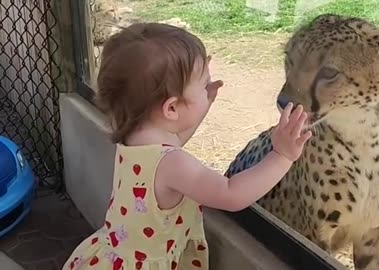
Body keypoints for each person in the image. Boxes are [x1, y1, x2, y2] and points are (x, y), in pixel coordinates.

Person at [63, 22, 312, 270]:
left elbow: (174, 140)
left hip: (112, 255)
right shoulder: (172, 163)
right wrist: (281, 155)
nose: (209, 88)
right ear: (172, 108)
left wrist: (203, 104)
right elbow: (231, 193)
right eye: (204, 85)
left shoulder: (134, 137)